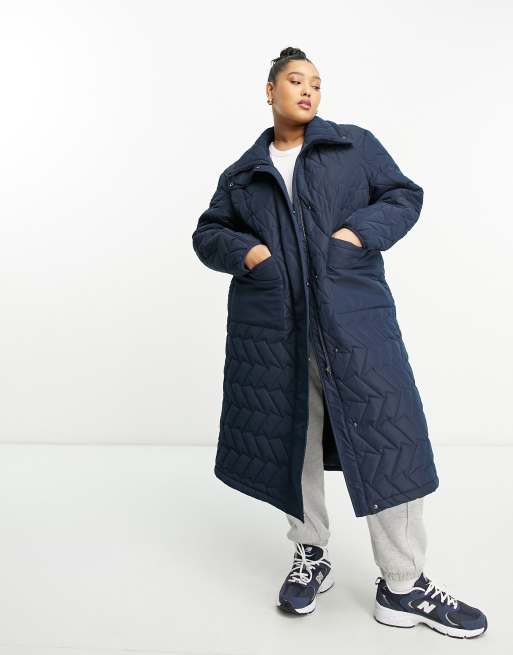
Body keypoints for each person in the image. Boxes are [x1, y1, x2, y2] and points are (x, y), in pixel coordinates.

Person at [191, 47, 487, 638]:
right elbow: (208, 232)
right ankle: (310, 554)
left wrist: (354, 235)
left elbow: (403, 195)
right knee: (293, 443)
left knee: (389, 438)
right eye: (296, 81)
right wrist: (250, 254)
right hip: (278, 332)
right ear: (270, 91)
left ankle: (403, 584)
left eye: (317, 84)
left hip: (354, 321)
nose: (308, 91)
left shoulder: (353, 146)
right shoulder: (244, 173)